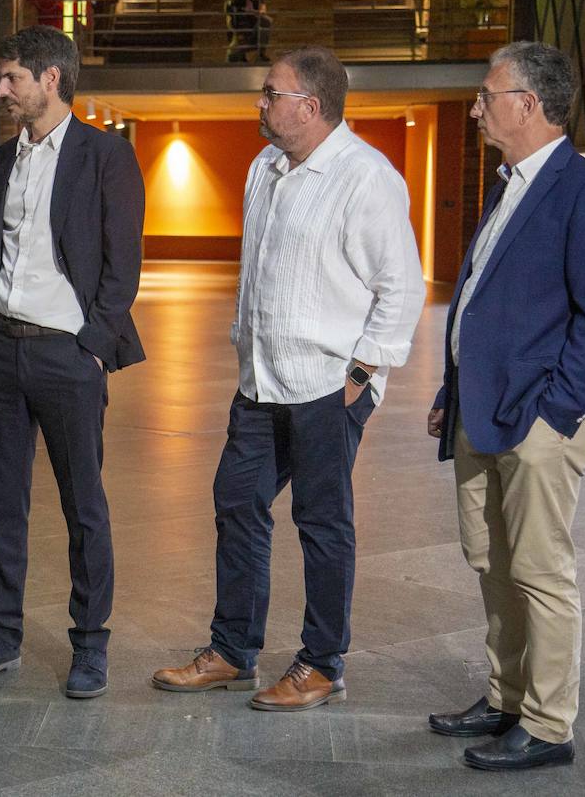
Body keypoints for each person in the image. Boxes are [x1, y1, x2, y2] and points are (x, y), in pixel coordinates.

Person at [151, 47, 424, 710]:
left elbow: (403, 287)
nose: (261, 103)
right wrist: (247, 353)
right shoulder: (264, 167)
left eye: (271, 93)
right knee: (236, 502)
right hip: (262, 383)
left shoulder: (366, 177)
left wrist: (360, 374)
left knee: (321, 522)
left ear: (312, 105)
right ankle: (233, 651)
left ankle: (322, 663)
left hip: (328, 386)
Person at [425, 42, 585, 771]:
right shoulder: (506, 184)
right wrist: (451, 392)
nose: (477, 108)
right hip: (480, 411)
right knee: (492, 561)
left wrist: (560, 411)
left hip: (539, 418)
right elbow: (484, 305)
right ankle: (507, 695)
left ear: (529, 104)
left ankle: (547, 725)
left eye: (488, 95)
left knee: (541, 571)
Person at [0, 25, 145, 699]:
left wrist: (91, 345)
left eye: (12, 79)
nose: (1, 90)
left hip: (67, 356)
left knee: (83, 504)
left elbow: (123, 268)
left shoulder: (106, 155)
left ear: (51, 79)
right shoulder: (5, 158)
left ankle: (90, 645)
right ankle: (1, 637)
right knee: (1, 505)